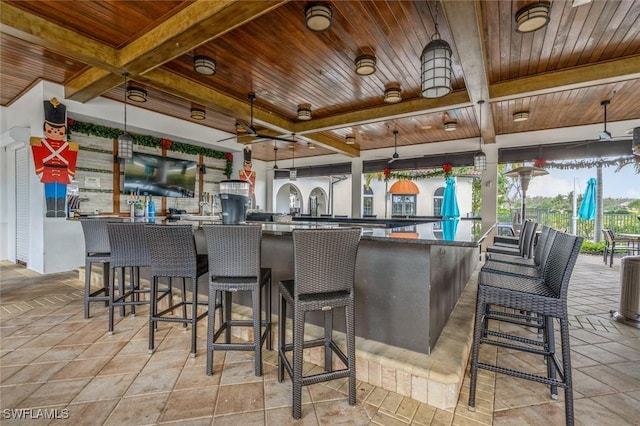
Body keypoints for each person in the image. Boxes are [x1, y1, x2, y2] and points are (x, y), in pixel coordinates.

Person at [30, 98, 79, 217]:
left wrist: (70, 173)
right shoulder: (41, 143)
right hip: (47, 170)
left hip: (63, 172)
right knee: (50, 190)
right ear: (45, 129)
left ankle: (61, 211)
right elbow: (37, 156)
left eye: (59, 130)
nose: (55, 132)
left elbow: (72, 159)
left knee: (61, 191)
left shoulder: (69, 146)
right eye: (51, 129)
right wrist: (40, 170)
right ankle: (50, 210)